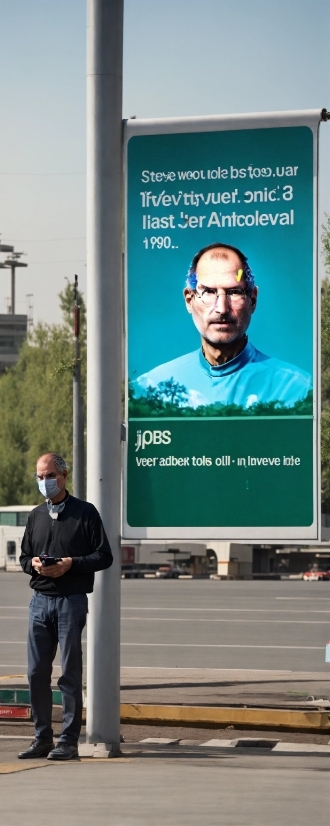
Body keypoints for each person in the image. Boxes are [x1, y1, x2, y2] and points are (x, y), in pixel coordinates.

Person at [134, 242, 312, 410]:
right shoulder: (148, 388)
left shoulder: (297, 390)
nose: (221, 309)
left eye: (234, 292)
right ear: (189, 300)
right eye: (209, 292)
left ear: (253, 299)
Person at [18, 452, 113, 761]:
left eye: (49, 476)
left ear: (63, 476)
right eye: (39, 476)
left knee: (69, 674)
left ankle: (68, 741)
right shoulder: (35, 516)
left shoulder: (85, 513)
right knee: (35, 672)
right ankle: (42, 737)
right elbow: (23, 558)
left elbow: (104, 556)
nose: (44, 481)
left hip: (70, 602)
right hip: (39, 602)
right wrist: (33, 564)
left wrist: (70, 564)